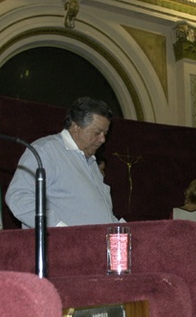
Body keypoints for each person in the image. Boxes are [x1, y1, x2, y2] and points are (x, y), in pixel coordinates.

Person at [6, 97, 119, 227]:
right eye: (97, 132)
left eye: (105, 133)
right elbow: (18, 197)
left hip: (97, 239)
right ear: (76, 126)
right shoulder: (45, 150)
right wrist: (59, 230)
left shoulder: (92, 163)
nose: (103, 139)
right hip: (63, 239)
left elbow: (103, 213)